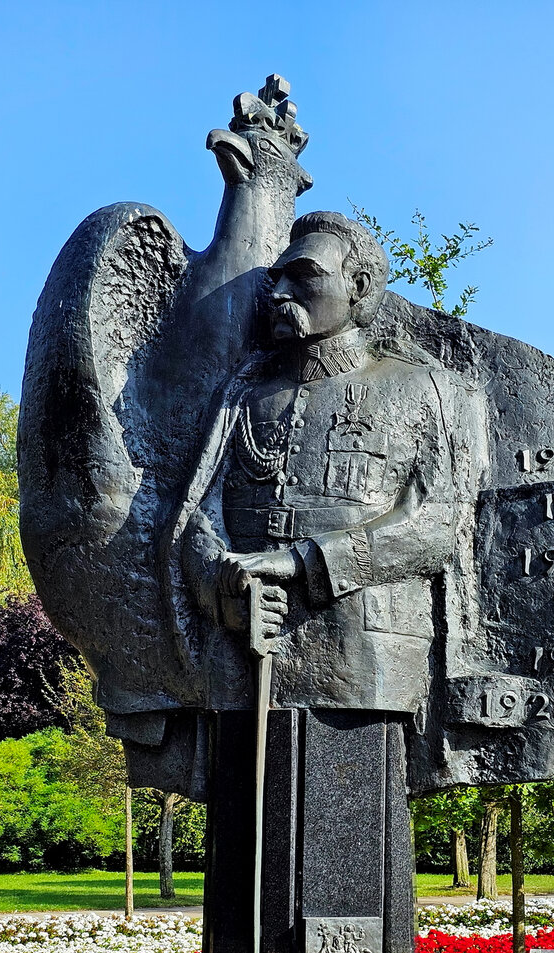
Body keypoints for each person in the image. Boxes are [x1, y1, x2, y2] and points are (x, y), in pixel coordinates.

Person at [180, 210, 456, 716]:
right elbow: (198, 516)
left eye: (304, 276)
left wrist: (300, 562)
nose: (280, 292)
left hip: (362, 659)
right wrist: (226, 590)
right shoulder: (243, 396)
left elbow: (436, 526)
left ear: (359, 285)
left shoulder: (418, 387)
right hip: (244, 656)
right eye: (277, 278)